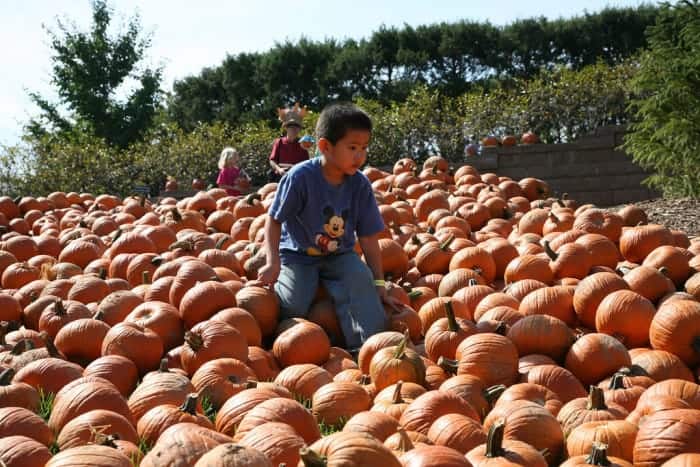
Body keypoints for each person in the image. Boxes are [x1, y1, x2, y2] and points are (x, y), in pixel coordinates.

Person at [258, 102, 404, 353]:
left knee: (361, 281)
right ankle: (277, 346)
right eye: (353, 147)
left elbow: (368, 237)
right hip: (298, 254)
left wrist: (378, 284)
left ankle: (369, 350)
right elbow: (274, 220)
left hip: (340, 254)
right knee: (294, 303)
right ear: (325, 147)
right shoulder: (300, 177)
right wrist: (273, 262)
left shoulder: (360, 185)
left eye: (364, 148)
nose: (360, 155)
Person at [268, 103, 310, 182]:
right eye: (291, 127)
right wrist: (279, 169)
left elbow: (306, 164)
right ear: (286, 128)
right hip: (280, 177)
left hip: (297, 178)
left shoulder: (302, 144)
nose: (294, 129)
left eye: (297, 127)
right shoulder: (279, 142)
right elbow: (272, 160)